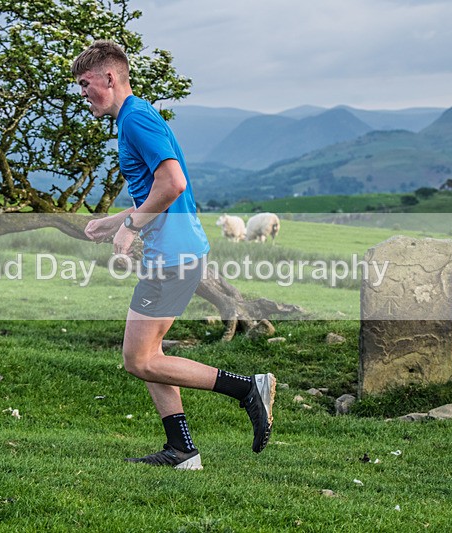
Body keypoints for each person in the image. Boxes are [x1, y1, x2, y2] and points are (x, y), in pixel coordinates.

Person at [72, 40, 275, 470]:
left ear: (110, 78)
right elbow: (158, 194)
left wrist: (129, 228)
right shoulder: (138, 115)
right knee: (151, 355)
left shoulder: (136, 122)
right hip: (175, 251)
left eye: (86, 83)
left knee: (139, 359)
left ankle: (246, 389)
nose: (83, 93)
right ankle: (181, 450)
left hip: (173, 256)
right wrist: (113, 222)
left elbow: (175, 184)